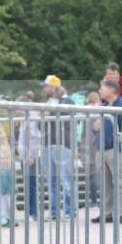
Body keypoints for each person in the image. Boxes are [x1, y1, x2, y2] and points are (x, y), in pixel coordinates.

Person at [92, 79, 122, 223]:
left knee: (120, 183)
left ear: (111, 90)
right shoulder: (104, 106)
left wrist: (121, 147)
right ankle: (107, 213)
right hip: (102, 149)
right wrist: (95, 127)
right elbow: (96, 127)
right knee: (104, 184)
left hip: (116, 149)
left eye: (102, 88)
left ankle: (121, 213)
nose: (99, 91)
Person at [40, 75, 76, 219]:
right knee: (52, 184)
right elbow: (40, 125)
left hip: (63, 145)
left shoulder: (68, 100)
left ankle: (69, 212)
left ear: (53, 87)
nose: (43, 89)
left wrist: (50, 112)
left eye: (46, 86)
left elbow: (67, 118)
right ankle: (54, 213)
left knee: (66, 181)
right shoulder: (47, 102)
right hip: (48, 145)